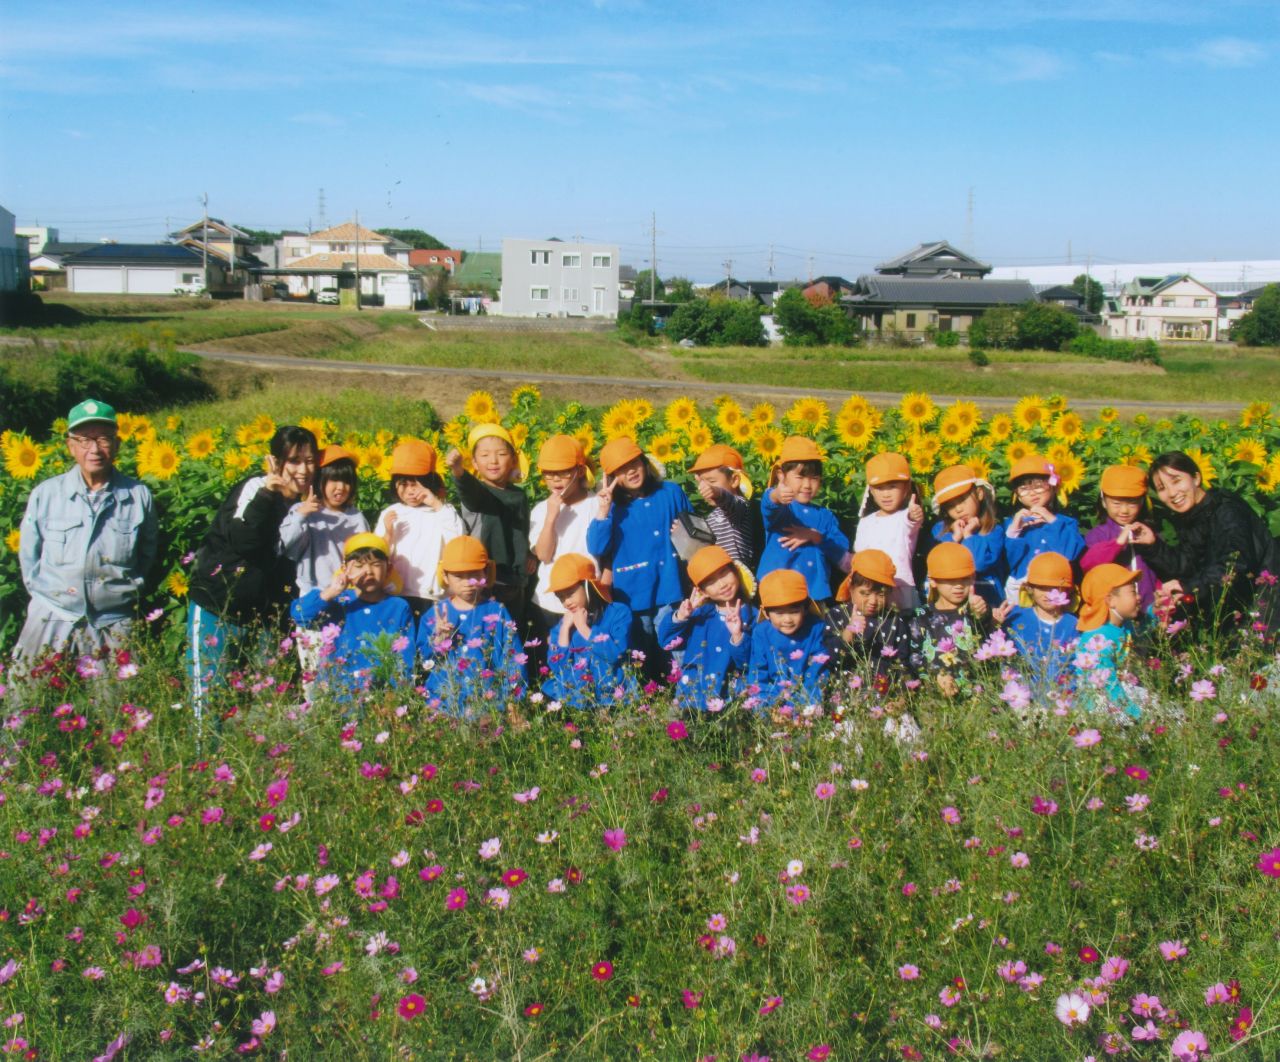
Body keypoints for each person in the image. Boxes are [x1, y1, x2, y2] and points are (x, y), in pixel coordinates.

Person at [187, 424, 317, 719]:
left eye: (310, 461)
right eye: (294, 460)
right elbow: (243, 539)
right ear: (275, 461)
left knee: (257, 707)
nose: (303, 469)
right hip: (217, 607)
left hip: (258, 619)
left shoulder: (300, 506)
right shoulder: (255, 488)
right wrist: (268, 493)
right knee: (209, 698)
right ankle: (203, 749)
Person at [16, 398, 157, 660]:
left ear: (117, 444)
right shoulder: (46, 494)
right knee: (31, 686)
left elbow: (146, 557)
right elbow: (29, 558)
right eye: (84, 440)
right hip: (52, 617)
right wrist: (47, 601)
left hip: (113, 622)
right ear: (70, 446)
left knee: (116, 689)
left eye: (103, 439)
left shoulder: (138, 496)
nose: (94, 449)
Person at [1130, 451, 1280, 633]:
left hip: (1264, 606)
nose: (1172, 493)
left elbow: (1235, 566)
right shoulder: (1194, 516)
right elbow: (1187, 565)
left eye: (1176, 481)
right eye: (1162, 488)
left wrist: (1189, 587)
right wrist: (1153, 545)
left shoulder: (1227, 511)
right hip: (1235, 609)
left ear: (1196, 478)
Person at [586, 436, 690, 675]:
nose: (631, 471)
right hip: (633, 593)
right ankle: (647, 694)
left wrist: (684, 532)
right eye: (621, 470)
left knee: (674, 648)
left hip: (670, 587)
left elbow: (694, 532)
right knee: (641, 655)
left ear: (645, 462)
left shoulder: (670, 492)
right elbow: (597, 547)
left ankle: (683, 692)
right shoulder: (612, 507)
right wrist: (603, 510)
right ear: (611, 477)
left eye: (634, 463)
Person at [289, 532, 415, 700]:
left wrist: (394, 695)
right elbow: (300, 615)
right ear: (345, 569)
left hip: (380, 695)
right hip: (338, 693)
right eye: (359, 565)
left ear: (388, 568)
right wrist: (332, 591)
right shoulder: (338, 601)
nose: (368, 571)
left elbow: (405, 655)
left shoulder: (398, 607)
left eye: (376, 564)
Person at [418, 535, 524, 717]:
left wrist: (513, 703)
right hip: (444, 703)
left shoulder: (496, 611)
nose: (467, 582)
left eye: (474, 574)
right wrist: (437, 642)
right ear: (445, 576)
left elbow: (512, 658)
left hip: (487, 703)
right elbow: (421, 660)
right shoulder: (435, 614)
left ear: (486, 573)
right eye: (458, 576)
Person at [446, 424, 531, 628]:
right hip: (483, 580)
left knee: (512, 634)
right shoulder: (479, 493)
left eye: (501, 454)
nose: (493, 461)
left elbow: (522, 532)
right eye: (484, 455)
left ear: (513, 460)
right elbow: (468, 490)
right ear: (474, 462)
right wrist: (458, 471)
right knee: (482, 633)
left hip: (514, 580)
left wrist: (530, 555)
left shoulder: (519, 495)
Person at [756, 436, 851, 604]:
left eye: (814, 478)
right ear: (781, 476)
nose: (807, 485)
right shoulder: (785, 509)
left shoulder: (825, 516)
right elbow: (769, 506)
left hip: (814, 593)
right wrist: (777, 495)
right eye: (800, 477)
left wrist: (816, 536)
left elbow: (841, 550)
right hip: (779, 592)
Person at [658, 544, 754, 707]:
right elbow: (666, 641)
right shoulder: (700, 615)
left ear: (736, 571)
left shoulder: (753, 616)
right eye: (711, 582)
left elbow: (749, 662)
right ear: (702, 591)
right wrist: (681, 616)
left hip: (731, 700)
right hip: (694, 698)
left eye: (724, 573)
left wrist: (738, 636)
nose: (722, 584)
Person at [378, 439, 463, 619]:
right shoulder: (391, 513)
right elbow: (377, 552)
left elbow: (457, 542)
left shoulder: (442, 511)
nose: (410, 491)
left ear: (429, 482)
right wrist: (388, 533)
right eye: (403, 484)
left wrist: (436, 504)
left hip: (432, 593)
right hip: (396, 591)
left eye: (415, 484)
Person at [528, 435, 599, 640]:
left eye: (563, 471)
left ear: (580, 471)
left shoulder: (596, 505)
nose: (555, 479)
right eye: (548, 473)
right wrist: (551, 518)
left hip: (589, 598)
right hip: (550, 601)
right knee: (554, 655)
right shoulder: (541, 510)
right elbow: (543, 555)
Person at [542, 553, 634, 709]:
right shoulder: (564, 624)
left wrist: (584, 629)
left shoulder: (618, 613)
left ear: (587, 586)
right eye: (561, 597)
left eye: (570, 594)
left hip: (612, 693)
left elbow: (615, 654)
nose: (566, 602)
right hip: (577, 697)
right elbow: (557, 668)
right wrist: (564, 630)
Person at [831, 549, 923, 687]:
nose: (873, 601)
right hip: (848, 693)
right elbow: (831, 659)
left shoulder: (894, 621)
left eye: (881, 594)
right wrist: (849, 633)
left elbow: (903, 664)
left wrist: (902, 693)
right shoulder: (837, 615)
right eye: (865, 593)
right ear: (850, 586)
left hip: (887, 693)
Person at [747, 568, 835, 710]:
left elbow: (817, 672)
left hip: (807, 698)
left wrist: (804, 707)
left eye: (794, 612)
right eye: (779, 614)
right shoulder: (761, 633)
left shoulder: (816, 628)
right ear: (766, 613)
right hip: (772, 698)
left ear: (805, 608)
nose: (787, 619)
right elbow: (758, 674)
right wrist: (769, 708)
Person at [994, 551, 1079, 696]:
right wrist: (995, 624)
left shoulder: (1073, 624)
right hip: (1022, 697)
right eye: (1041, 587)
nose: (1048, 594)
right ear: (1030, 588)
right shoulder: (1015, 618)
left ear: (1068, 590)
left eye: (1055, 588)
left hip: (1063, 698)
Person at [1002, 455, 1085, 602]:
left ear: (1053, 487)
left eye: (1039, 486)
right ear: (1018, 496)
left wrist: (1051, 520)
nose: (1032, 492)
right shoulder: (1012, 524)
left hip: (1053, 586)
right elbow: (1007, 561)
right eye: (1024, 489)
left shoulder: (1065, 523)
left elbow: (1069, 553)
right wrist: (1014, 530)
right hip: (1020, 587)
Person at [916, 542, 991, 698]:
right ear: (933, 581)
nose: (958, 586)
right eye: (950, 580)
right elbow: (914, 655)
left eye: (964, 579)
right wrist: (934, 675)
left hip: (975, 698)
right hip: (935, 696)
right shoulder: (921, 616)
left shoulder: (972, 610)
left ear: (973, 578)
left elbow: (982, 623)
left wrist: (980, 613)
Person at [1080, 465, 1158, 614]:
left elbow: (1158, 571)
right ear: (1104, 501)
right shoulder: (1098, 535)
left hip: (1148, 609)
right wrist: (1117, 544)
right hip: (1113, 613)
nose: (1124, 510)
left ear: (1142, 502)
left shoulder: (1147, 532)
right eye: (1116, 503)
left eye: (1132, 503)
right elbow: (1088, 564)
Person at [853, 452, 925, 610]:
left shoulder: (903, 518)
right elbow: (859, 555)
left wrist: (914, 514)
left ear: (906, 488)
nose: (886, 494)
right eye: (879, 488)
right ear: (871, 490)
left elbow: (911, 522)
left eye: (892, 487)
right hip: (871, 589)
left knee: (901, 621)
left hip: (899, 587)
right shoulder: (865, 521)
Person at [929, 463, 1006, 608]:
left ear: (979, 493)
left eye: (962, 500)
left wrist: (970, 536)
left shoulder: (993, 530)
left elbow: (979, 564)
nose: (958, 509)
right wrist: (955, 538)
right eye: (950, 505)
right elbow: (941, 563)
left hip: (987, 600)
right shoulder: (940, 530)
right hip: (951, 602)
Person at [1075, 563, 1145, 719]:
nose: (1139, 597)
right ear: (1110, 600)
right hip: (1103, 710)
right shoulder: (1097, 639)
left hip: (1122, 700)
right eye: (1133, 592)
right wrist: (1137, 716)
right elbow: (1108, 684)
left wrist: (1157, 611)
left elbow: (1142, 632)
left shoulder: (1122, 626)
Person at [687, 443, 760, 569]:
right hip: (717, 575)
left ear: (734, 480)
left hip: (737, 575)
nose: (704, 487)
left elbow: (730, 502)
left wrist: (717, 492)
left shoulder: (741, 507)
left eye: (712, 481)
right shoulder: (712, 516)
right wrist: (683, 534)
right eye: (702, 482)